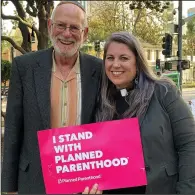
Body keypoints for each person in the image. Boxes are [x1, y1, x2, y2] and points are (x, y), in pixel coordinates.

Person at [1, 1, 102, 194]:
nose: (66, 33)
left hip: (83, 182)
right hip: (34, 182)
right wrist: (9, 187)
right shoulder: (24, 67)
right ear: (50, 26)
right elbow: (14, 128)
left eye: (74, 28)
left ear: (85, 33)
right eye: (61, 25)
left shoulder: (99, 70)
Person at [95, 31, 195, 194]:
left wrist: (186, 191)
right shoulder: (100, 102)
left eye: (124, 58)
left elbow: (189, 145)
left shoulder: (163, 92)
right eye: (110, 58)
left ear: (137, 62)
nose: (116, 64)